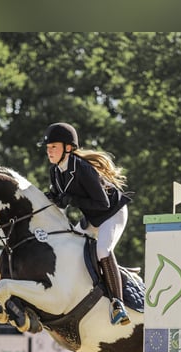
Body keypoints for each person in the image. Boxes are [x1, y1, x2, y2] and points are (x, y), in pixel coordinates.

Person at [40, 122, 132, 326]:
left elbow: (103, 203)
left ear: (68, 148)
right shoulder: (55, 171)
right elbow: (58, 197)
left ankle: (118, 304)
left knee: (103, 250)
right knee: (69, 247)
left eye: (54, 147)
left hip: (112, 213)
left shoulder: (83, 169)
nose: (49, 151)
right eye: (48, 148)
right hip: (92, 217)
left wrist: (71, 199)